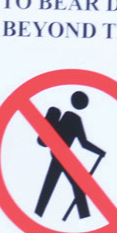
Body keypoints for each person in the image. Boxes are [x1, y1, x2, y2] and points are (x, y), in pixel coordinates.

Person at [34, 91, 106, 220]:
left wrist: (99, 151)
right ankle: (84, 217)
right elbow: (84, 144)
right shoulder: (75, 120)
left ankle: (38, 214)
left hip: (58, 155)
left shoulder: (68, 118)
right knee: (71, 185)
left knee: (50, 186)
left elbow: (83, 144)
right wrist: (99, 152)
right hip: (64, 157)